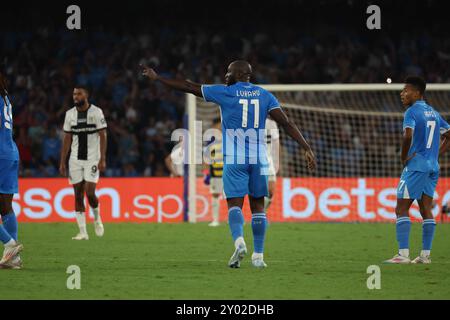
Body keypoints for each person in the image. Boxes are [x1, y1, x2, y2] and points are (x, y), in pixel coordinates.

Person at [141, 60, 316, 268]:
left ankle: (239, 242)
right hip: (259, 158)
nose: (225, 76)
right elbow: (287, 123)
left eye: (228, 73)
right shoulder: (264, 95)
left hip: (235, 158)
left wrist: (158, 78)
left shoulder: (226, 92)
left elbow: (189, 86)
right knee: (258, 206)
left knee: (235, 205)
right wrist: (306, 147)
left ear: (238, 74)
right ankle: (258, 256)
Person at [384, 76, 450, 264]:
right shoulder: (434, 113)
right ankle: (425, 256)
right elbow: (449, 135)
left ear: (417, 92)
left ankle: (403, 255)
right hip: (432, 167)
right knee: (425, 209)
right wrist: (436, 154)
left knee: (401, 208)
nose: (402, 93)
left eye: (406, 90)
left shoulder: (412, 112)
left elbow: (407, 136)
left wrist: (403, 157)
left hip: (416, 166)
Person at [60, 86, 107, 240]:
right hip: (75, 160)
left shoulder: (96, 112)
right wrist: (62, 162)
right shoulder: (69, 115)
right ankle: (83, 232)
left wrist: (103, 158)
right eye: (74, 94)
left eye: (79, 93)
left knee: (90, 192)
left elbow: (103, 135)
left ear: (86, 95)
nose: (75, 96)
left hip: (92, 158)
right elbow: (67, 138)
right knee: (78, 194)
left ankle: (97, 218)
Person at [0, 65, 23, 269]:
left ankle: (9, 244)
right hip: (10, 152)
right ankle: (13, 259)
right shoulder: (5, 98)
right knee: (5, 207)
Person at [203, 118, 224, 227]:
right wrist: (206, 173)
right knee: (215, 195)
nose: (219, 128)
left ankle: (237, 219)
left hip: (229, 173)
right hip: (215, 173)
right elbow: (206, 158)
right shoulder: (211, 141)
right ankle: (215, 220)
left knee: (234, 196)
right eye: (217, 126)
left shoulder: (230, 136)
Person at [264, 116, 280, 211]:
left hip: (268, 160)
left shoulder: (271, 123)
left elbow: (277, 143)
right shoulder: (248, 121)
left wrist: (277, 162)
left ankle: (262, 212)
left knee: (270, 191)